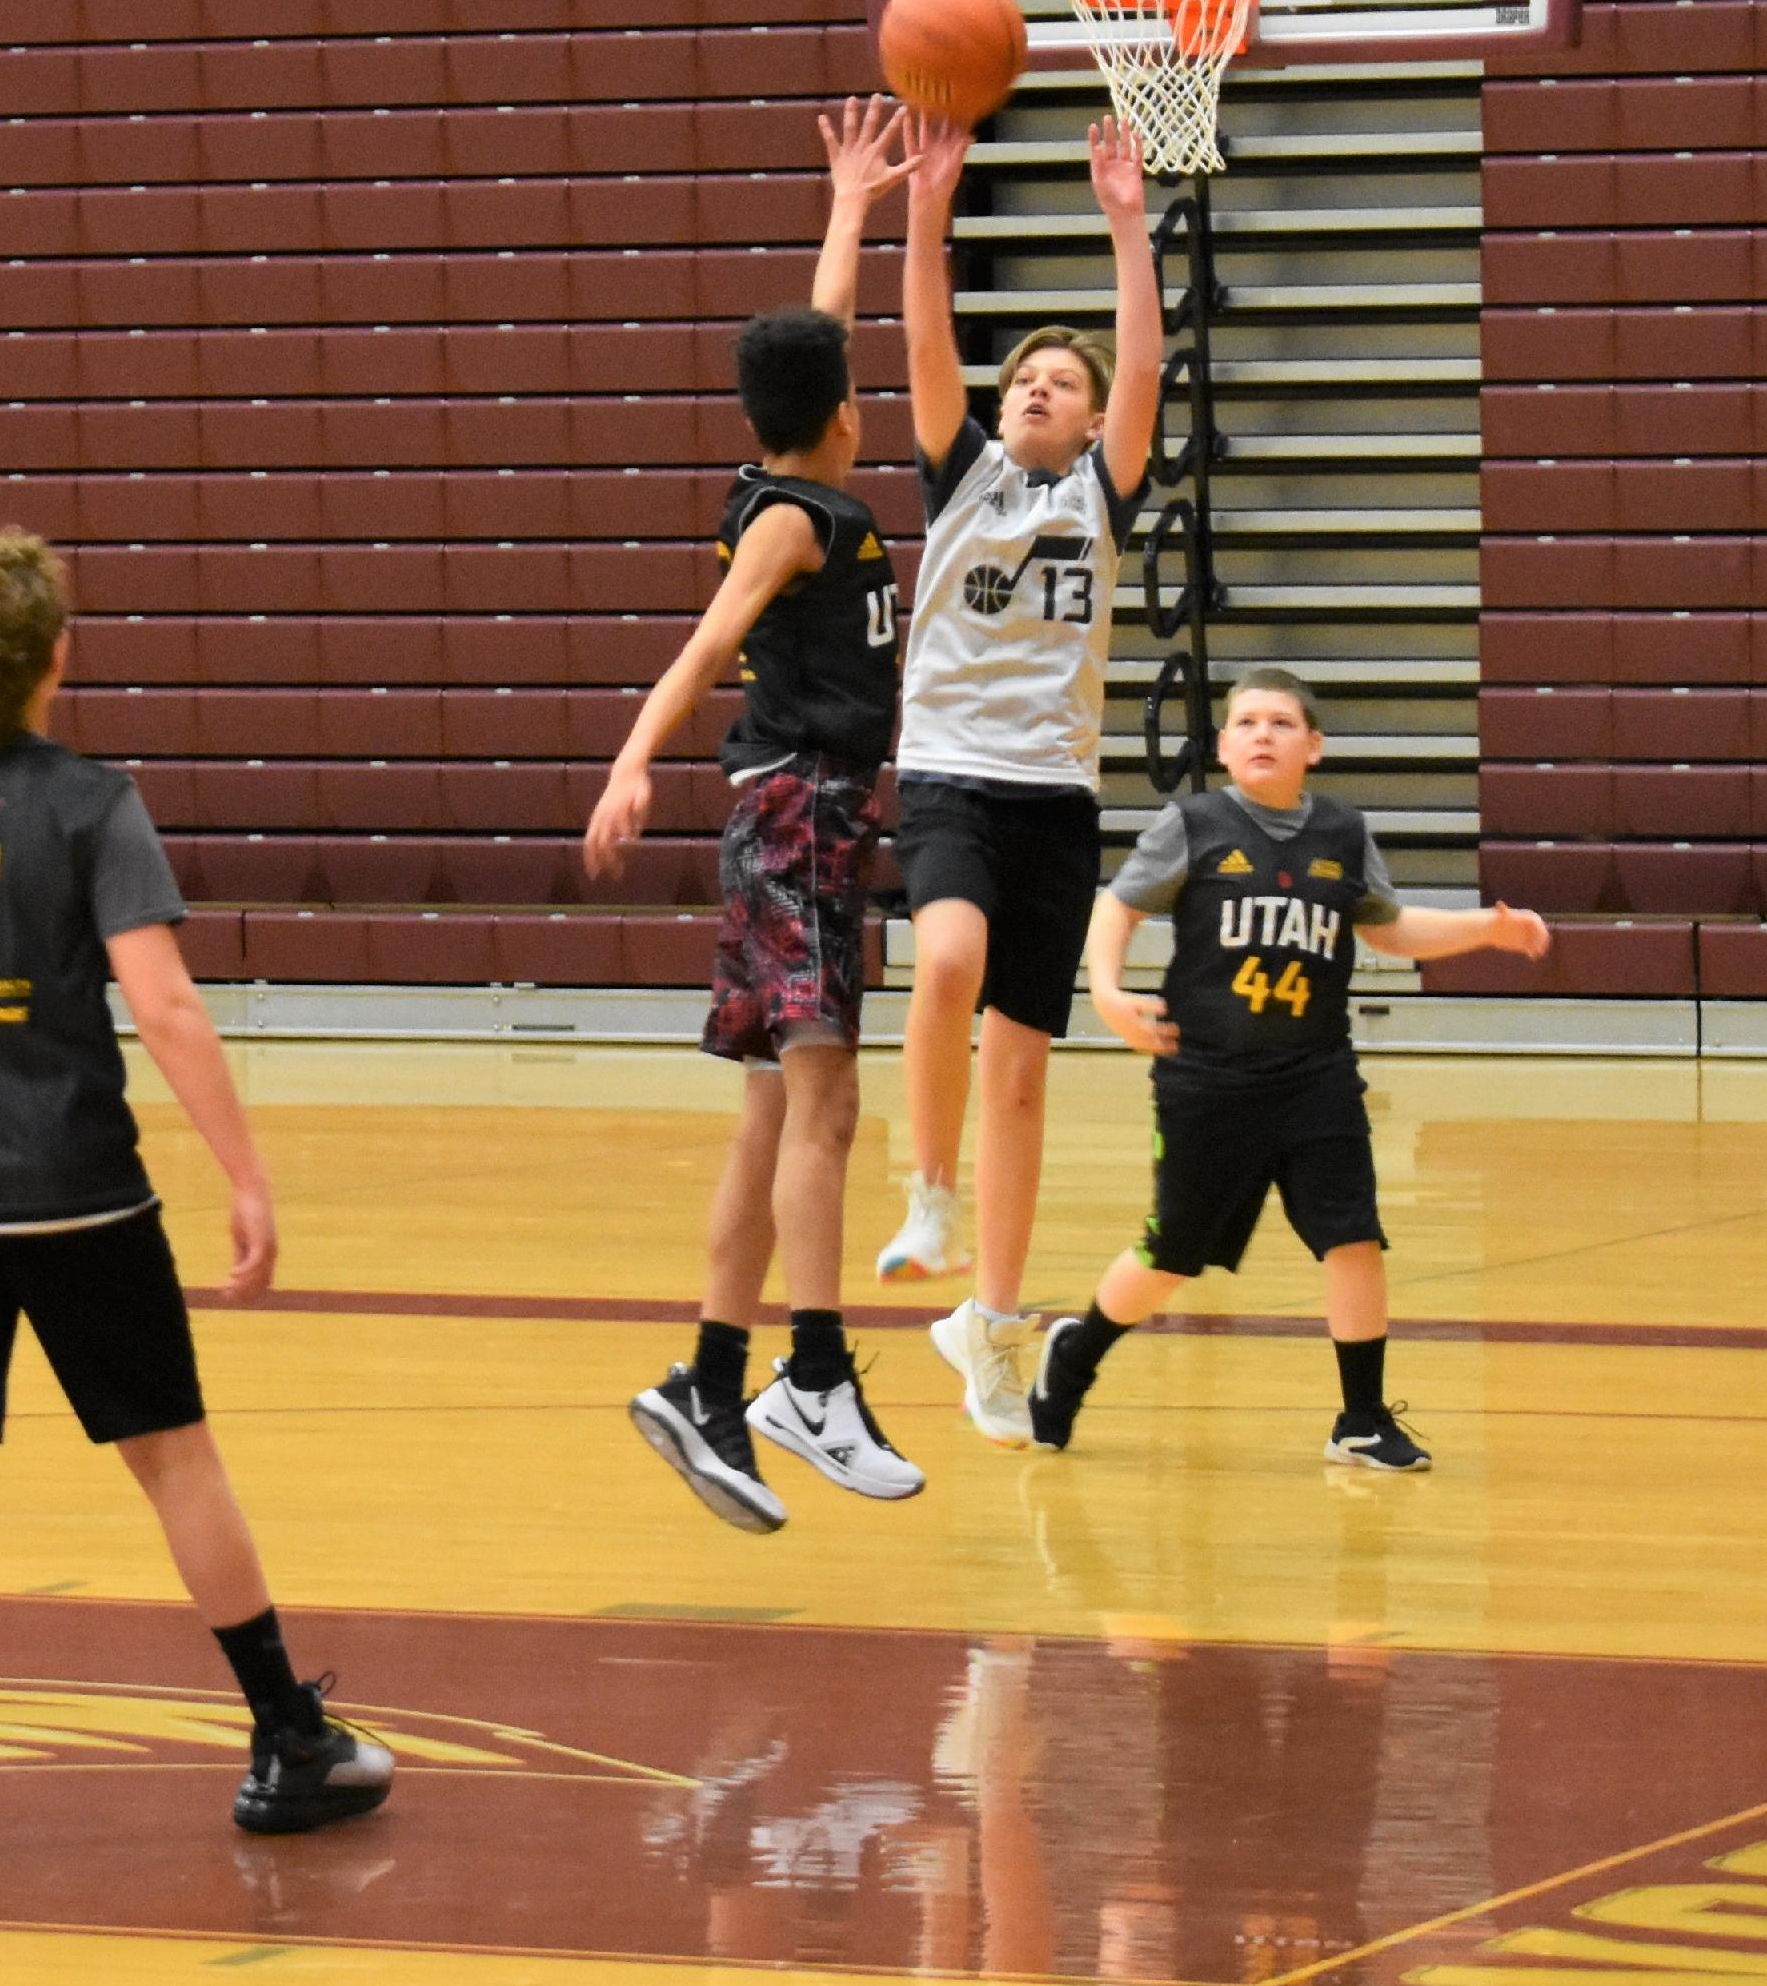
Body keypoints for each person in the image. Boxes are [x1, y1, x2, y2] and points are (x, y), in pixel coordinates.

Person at [0, 531, 392, 1870]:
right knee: (170, 1453)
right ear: (56, 655)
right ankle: (286, 1736)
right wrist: (243, 1173)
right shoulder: (93, 801)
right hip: (75, 1197)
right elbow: (163, 1004)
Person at [592, 98, 919, 1534]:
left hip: (797, 814)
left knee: (772, 1113)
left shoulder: (785, 477)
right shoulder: (795, 521)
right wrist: (629, 756)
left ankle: (710, 1386)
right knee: (827, 1099)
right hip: (797, 810)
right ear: (845, 415)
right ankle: (812, 1372)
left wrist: (851, 203)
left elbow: (822, 329)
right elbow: (704, 640)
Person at [1027, 668, 1553, 1470]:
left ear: (1314, 745)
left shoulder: (1342, 833)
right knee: (1172, 1256)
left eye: (1280, 722)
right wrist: (1105, 992)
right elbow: (1120, 905)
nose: (1262, 734)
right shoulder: (1193, 825)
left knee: (1353, 1240)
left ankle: (1363, 1418)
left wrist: (1487, 928)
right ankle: (1076, 1356)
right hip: (1206, 1079)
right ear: (1223, 746)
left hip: (1316, 1075)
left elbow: (1389, 931)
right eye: (1246, 723)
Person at [875, 113, 1158, 1451]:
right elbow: (924, 337)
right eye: (1025, 376)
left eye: (1061, 379)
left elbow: (1143, 360)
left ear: (1096, 418)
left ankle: (986, 1324)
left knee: (1026, 1078)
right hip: (946, 776)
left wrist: (1124, 224)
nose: (1036, 387)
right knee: (944, 964)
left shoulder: (1098, 493)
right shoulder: (964, 477)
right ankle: (925, 1190)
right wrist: (926, 211)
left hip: (1053, 796)